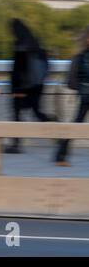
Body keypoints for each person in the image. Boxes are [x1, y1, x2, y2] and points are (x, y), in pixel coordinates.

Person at [4, 18, 56, 154]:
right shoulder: (35, 42)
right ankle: (56, 127)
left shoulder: (20, 44)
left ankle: (16, 144)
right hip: (37, 86)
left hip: (23, 87)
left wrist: (17, 90)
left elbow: (19, 69)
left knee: (16, 115)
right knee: (37, 112)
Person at [54, 26, 89, 167]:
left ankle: (60, 155)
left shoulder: (81, 55)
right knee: (76, 124)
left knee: (76, 123)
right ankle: (60, 156)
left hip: (85, 93)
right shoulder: (83, 56)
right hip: (87, 94)